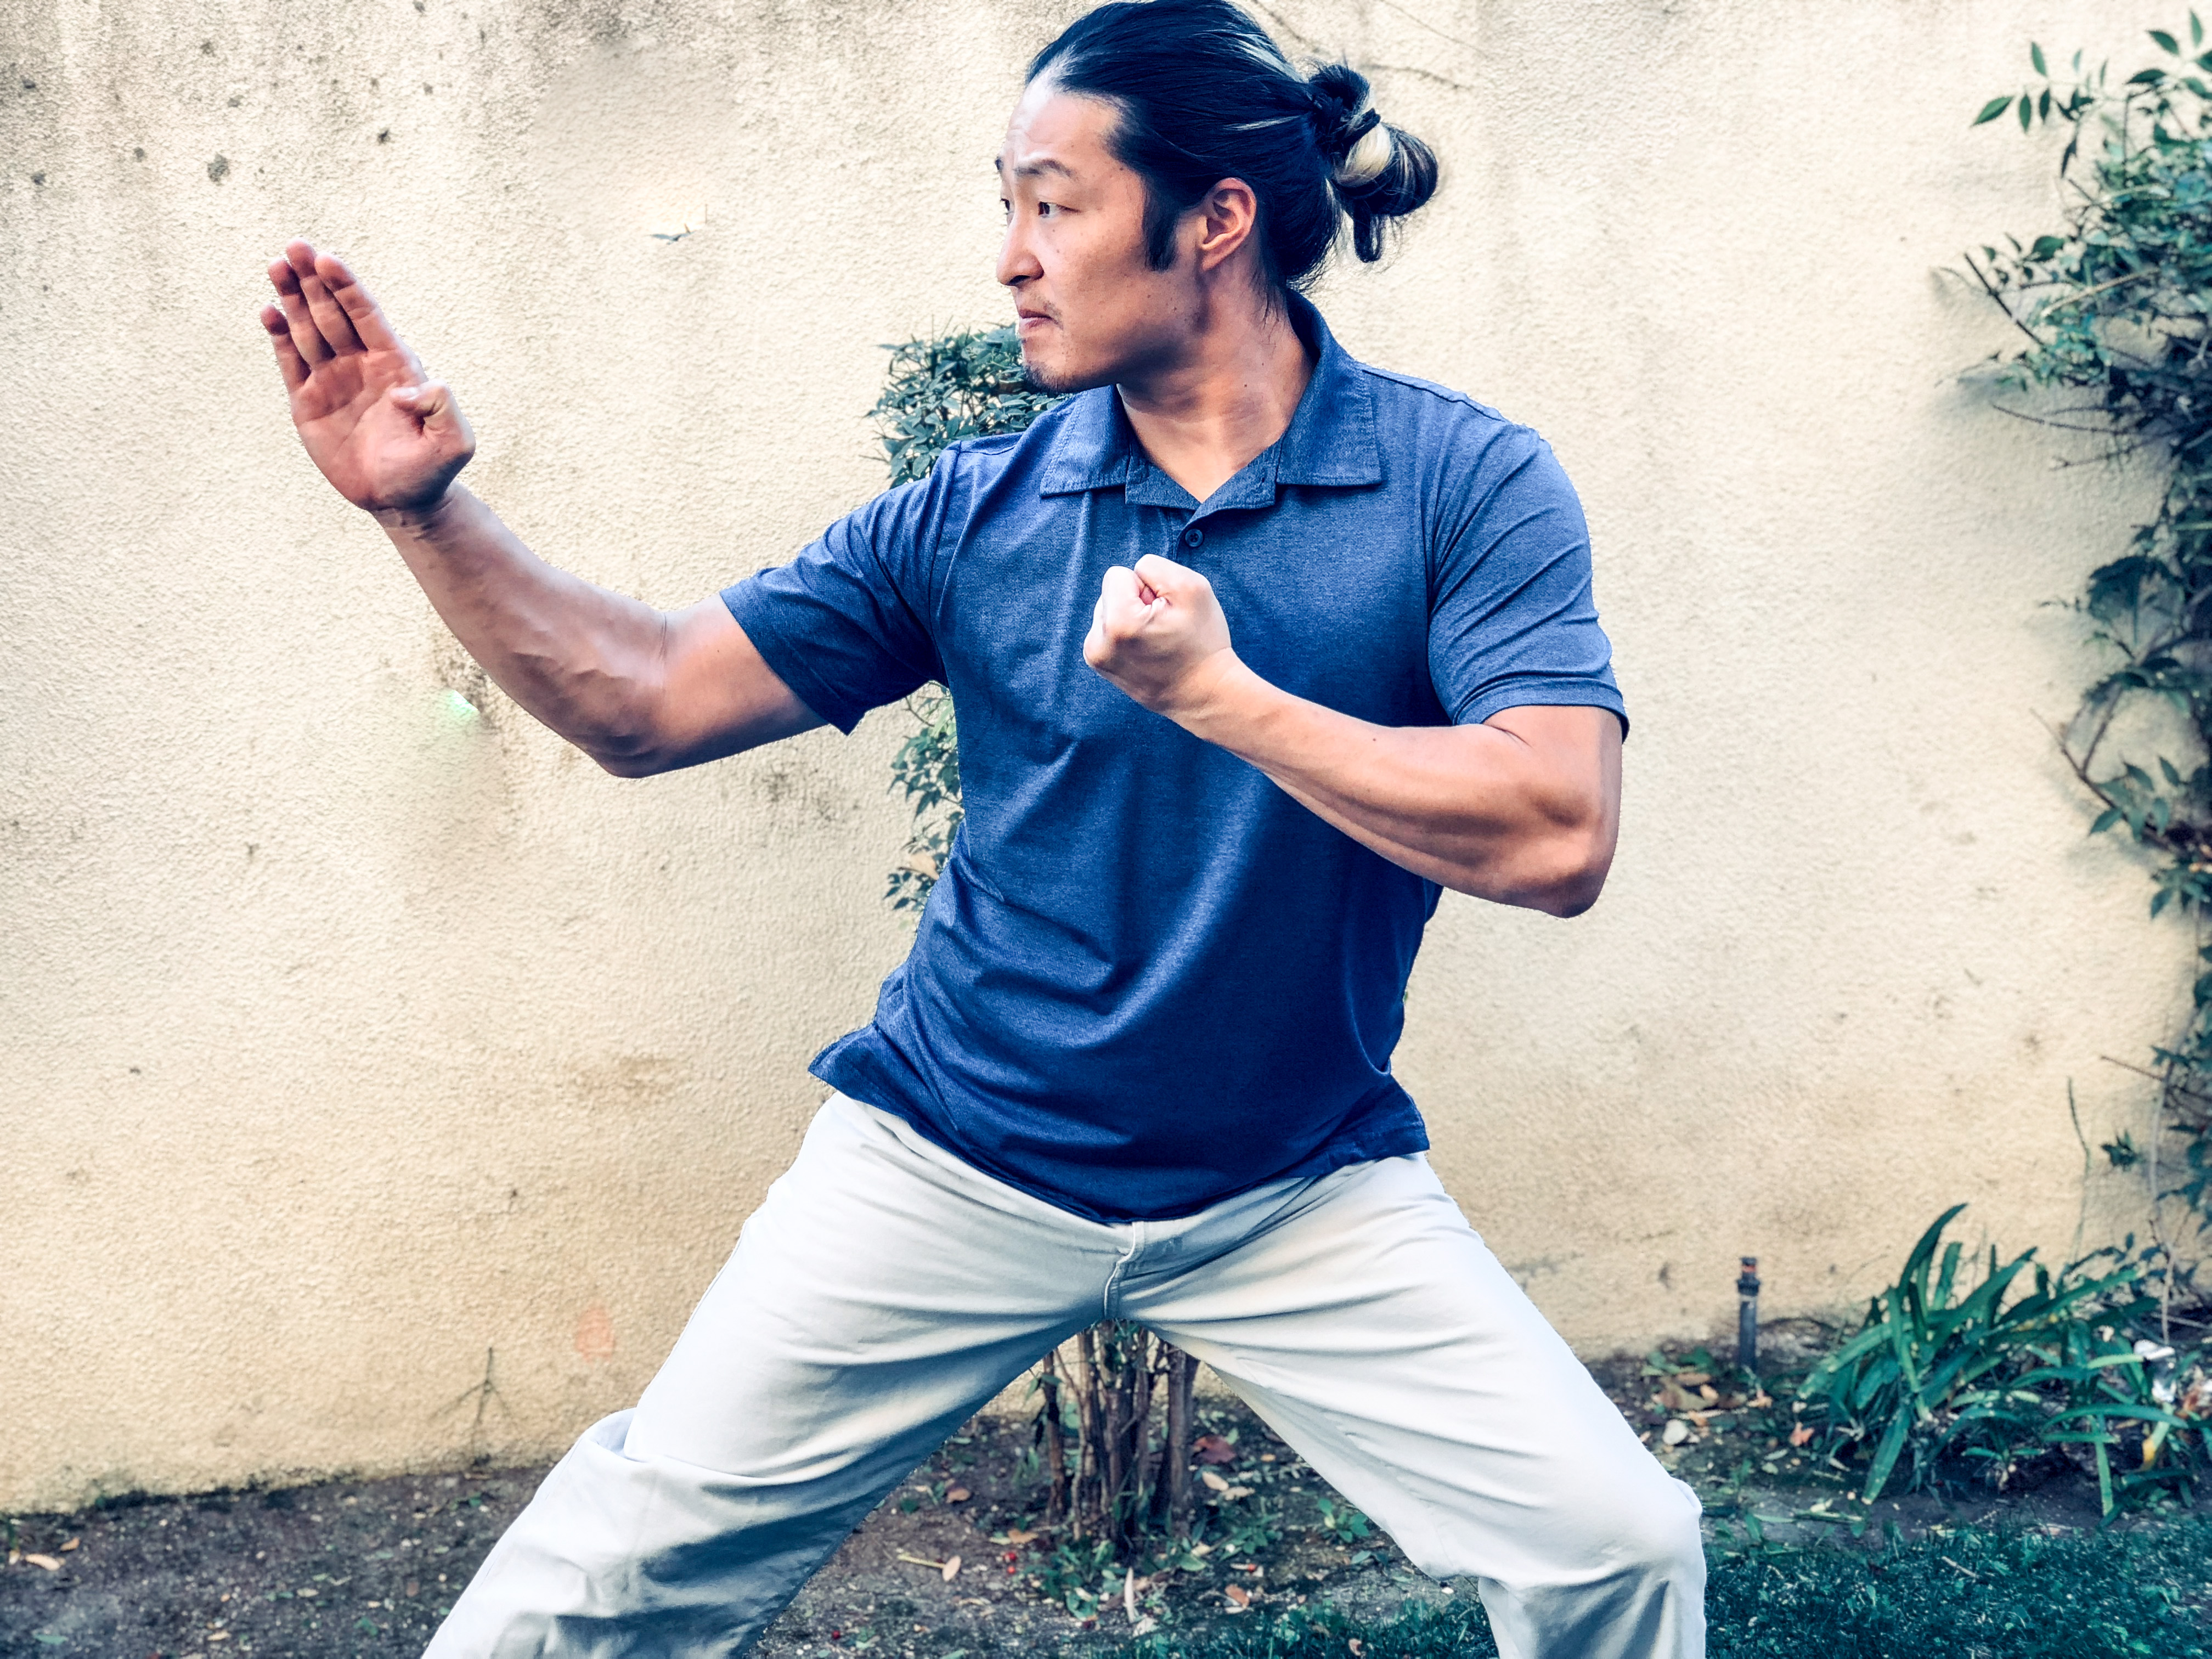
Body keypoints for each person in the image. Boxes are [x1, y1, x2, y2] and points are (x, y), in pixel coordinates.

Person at [257, 2, 1701, 1653]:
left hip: (1294, 1184)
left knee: (1618, 1543)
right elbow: (644, 698)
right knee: (607, 1578)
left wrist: (1226, 697)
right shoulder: (978, 510)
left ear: (1216, 219)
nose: (1011, 257)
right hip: (954, 1154)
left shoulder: (1462, 483)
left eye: (1053, 204)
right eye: (1006, 205)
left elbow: (1556, 832)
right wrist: (427, 510)